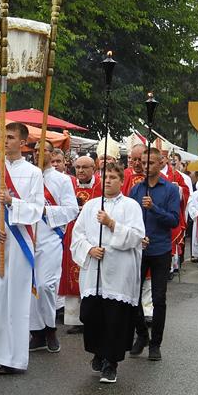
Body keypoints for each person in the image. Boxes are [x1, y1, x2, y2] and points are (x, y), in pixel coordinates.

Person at [0, 122, 44, 375]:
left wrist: (12, 202)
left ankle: (13, 358)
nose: (5, 141)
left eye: (11, 137)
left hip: (19, 242)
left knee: (15, 300)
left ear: (23, 142)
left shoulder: (34, 173)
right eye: (2, 136)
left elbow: (37, 209)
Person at [71, 163, 145, 383]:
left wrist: (112, 224)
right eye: (105, 177)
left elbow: (136, 237)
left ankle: (111, 363)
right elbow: (78, 235)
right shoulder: (91, 205)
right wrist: (89, 249)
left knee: (115, 317)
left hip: (119, 272)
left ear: (122, 181)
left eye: (113, 177)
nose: (109, 181)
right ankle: (98, 352)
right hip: (94, 269)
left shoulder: (130, 206)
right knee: (91, 314)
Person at [127, 148, 180, 361]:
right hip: (139, 249)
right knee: (132, 295)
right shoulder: (136, 190)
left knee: (159, 298)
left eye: (150, 162)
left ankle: (156, 343)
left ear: (160, 164)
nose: (145, 166)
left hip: (160, 249)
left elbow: (174, 220)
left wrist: (155, 208)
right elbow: (129, 220)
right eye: (142, 162)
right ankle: (141, 334)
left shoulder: (169, 189)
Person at [29, 140, 79, 353]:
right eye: (35, 150)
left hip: (50, 236)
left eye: (43, 150)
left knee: (45, 285)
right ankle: (36, 332)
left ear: (52, 154)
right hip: (27, 236)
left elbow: (72, 210)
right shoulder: (28, 176)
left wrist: (45, 212)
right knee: (30, 288)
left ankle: (50, 327)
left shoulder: (62, 180)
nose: (38, 154)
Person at [60, 155, 102, 332]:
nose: (81, 171)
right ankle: (75, 319)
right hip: (71, 234)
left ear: (94, 168)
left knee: (92, 276)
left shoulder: (101, 186)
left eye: (85, 167)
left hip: (93, 234)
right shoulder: (68, 185)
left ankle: (93, 317)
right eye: (77, 167)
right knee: (71, 273)